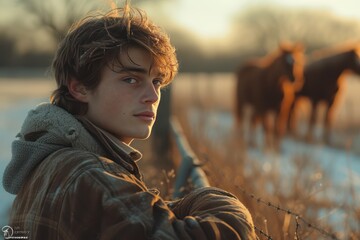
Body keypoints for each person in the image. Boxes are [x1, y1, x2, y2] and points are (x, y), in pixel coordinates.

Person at [2, 4, 258, 240]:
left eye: (157, 81)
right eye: (131, 80)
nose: (153, 96)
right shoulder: (91, 174)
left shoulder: (51, 160)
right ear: (79, 87)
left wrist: (170, 208)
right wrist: (212, 198)